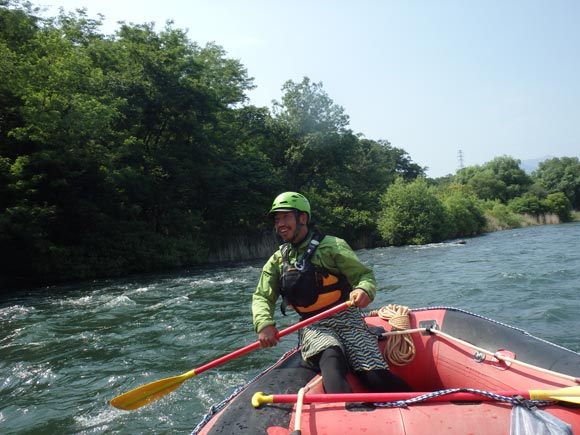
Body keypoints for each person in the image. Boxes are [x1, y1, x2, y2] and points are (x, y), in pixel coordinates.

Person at [252, 191, 411, 394]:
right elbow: (262, 296)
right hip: (313, 324)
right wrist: (264, 323)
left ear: (302, 218)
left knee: (375, 378)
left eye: (285, 216)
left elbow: (364, 276)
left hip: (348, 318)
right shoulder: (277, 260)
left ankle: (425, 403)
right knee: (331, 357)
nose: (280, 223)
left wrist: (364, 289)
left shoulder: (332, 246)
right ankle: (352, 413)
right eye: (277, 219)